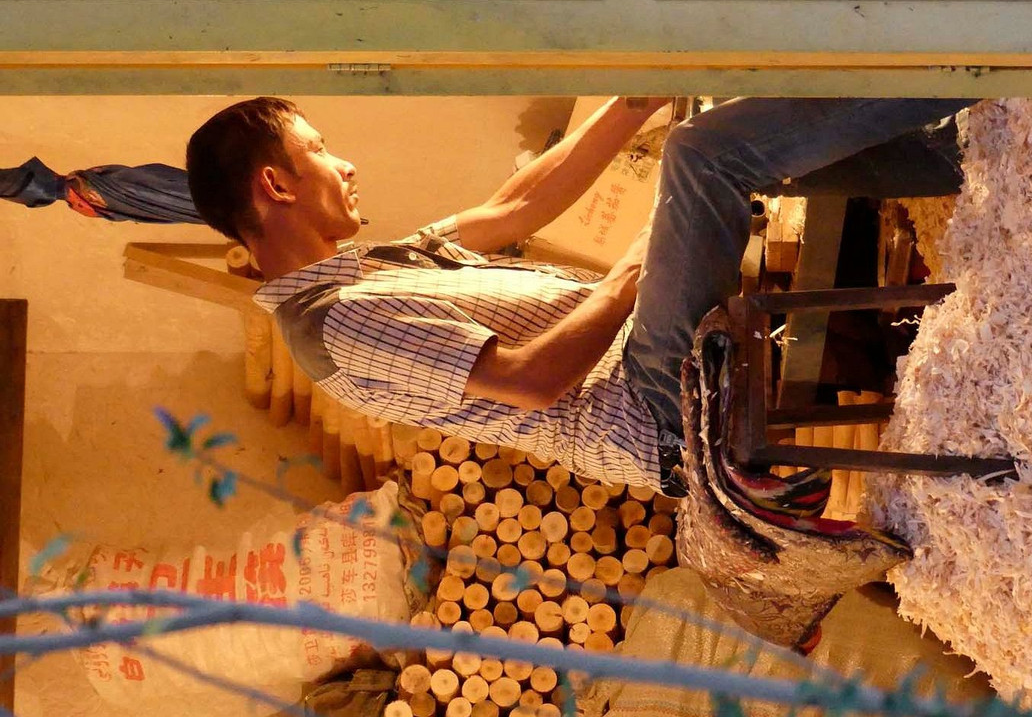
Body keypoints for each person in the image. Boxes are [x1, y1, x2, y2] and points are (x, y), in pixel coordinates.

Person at [185, 96, 970, 494]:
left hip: (648, 375)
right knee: (703, 156)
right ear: (276, 185)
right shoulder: (336, 325)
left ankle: (958, 148)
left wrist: (632, 103)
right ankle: (966, 62)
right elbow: (532, 382)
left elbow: (514, 208)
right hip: (652, 416)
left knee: (725, 144)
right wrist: (636, 271)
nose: (345, 164)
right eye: (320, 151)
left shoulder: (369, 270)